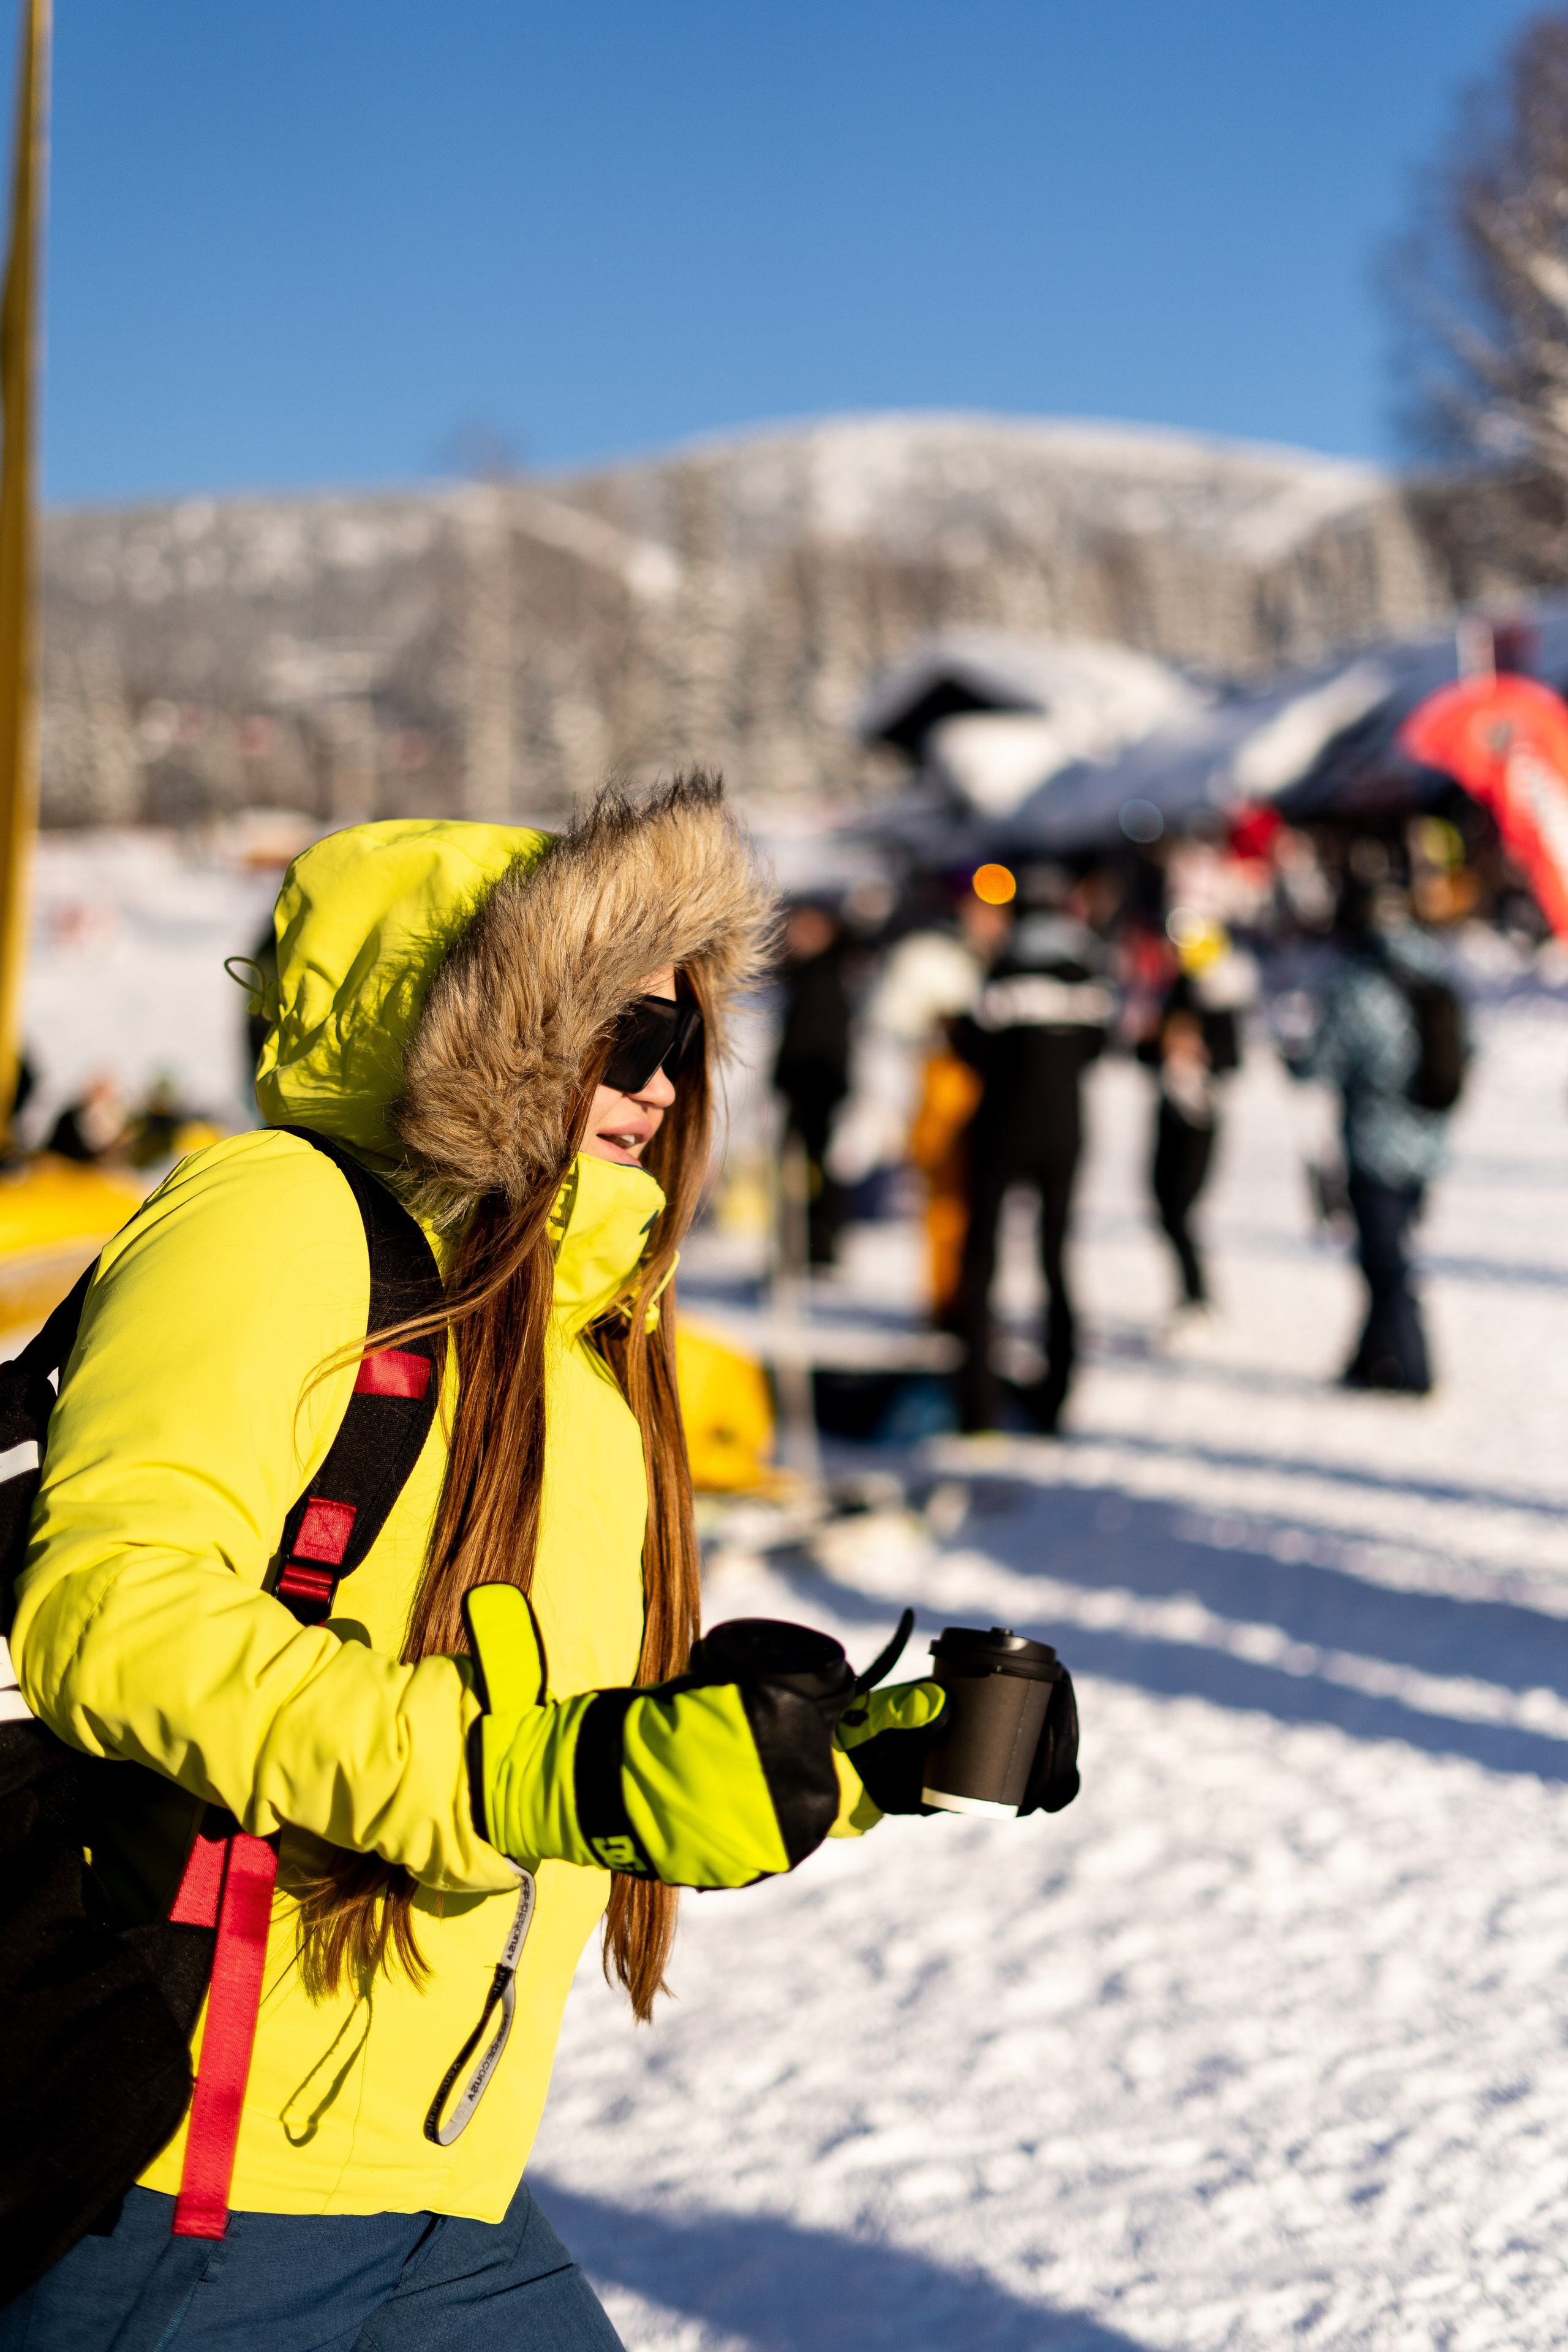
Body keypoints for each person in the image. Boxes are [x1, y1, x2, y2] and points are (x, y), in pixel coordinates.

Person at [4, 780, 955, 2349]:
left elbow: (562, 1737)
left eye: (685, 1042)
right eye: (622, 1035)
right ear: (492, 1025)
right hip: (195, 2192)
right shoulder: (277, 1219)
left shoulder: (573, 1324)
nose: (658, 1086)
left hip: (438, 2185)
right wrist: (526, 1779)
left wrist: (848, 1763)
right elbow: (116, 1615)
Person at [1284, 878, 1463, 1395]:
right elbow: (1466, 1050)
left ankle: (1413, 1368)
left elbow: (1321, 1062)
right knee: (1386, 1253)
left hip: (1374, 1145)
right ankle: (1369, 1359)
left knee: (1385, 1262)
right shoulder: (1435, 968)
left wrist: (1293, 1056)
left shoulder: (1355, 985)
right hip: (1427, 1145)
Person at [950, 892, 1115, 1434]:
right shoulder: (1085, 978)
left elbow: (975, 1053)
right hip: (1065, 1135)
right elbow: (1097, 1049)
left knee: (982, 1264)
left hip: (1002, 1130)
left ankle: (979, 1402)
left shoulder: (1005, 973)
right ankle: (1057, 1397)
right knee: (1055, 1259)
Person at [1136, 919, 1251, 1321]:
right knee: (1164, 1207)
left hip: (1199, 1114)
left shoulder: (1217, 997)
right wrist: (1150, 1040)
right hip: (1169, 1110)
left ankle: (1197, 1297)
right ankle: (1190, 1296)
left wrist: (1198, 1052)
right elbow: (1147, 1056)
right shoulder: (1171, 993)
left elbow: (1231, 1060)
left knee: (1181, 1210)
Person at [771, 900, 853, 1264]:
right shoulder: (807, 975)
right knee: (802, 1170)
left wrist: (790, 1079)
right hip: (807, 1090)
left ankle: (816, 1245)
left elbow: (819, 1041)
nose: (795, 936)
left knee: (810, 1170)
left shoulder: (823, 978)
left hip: (816, 1092)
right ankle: (804, 1244)